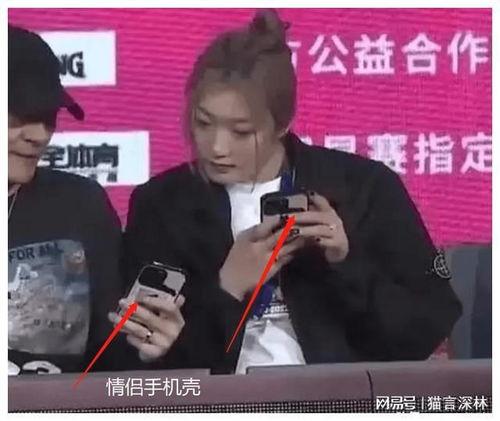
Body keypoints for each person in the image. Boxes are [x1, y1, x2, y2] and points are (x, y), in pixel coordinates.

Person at [124, 10, 462, 374]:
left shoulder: (363, 188)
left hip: (338, 396)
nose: (217, 147)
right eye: (203, 123)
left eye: (241, 132)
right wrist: (228, 286)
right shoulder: (161, 205)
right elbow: (144, 361)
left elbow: (426, 327)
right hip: (220, 399)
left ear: (282, 124)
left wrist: (345, 263)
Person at [8, 25, 184, 374]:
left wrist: (148, 348)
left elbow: (111, 357)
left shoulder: (80, 207)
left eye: (48, 118)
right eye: (18, 118)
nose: (39, 135)